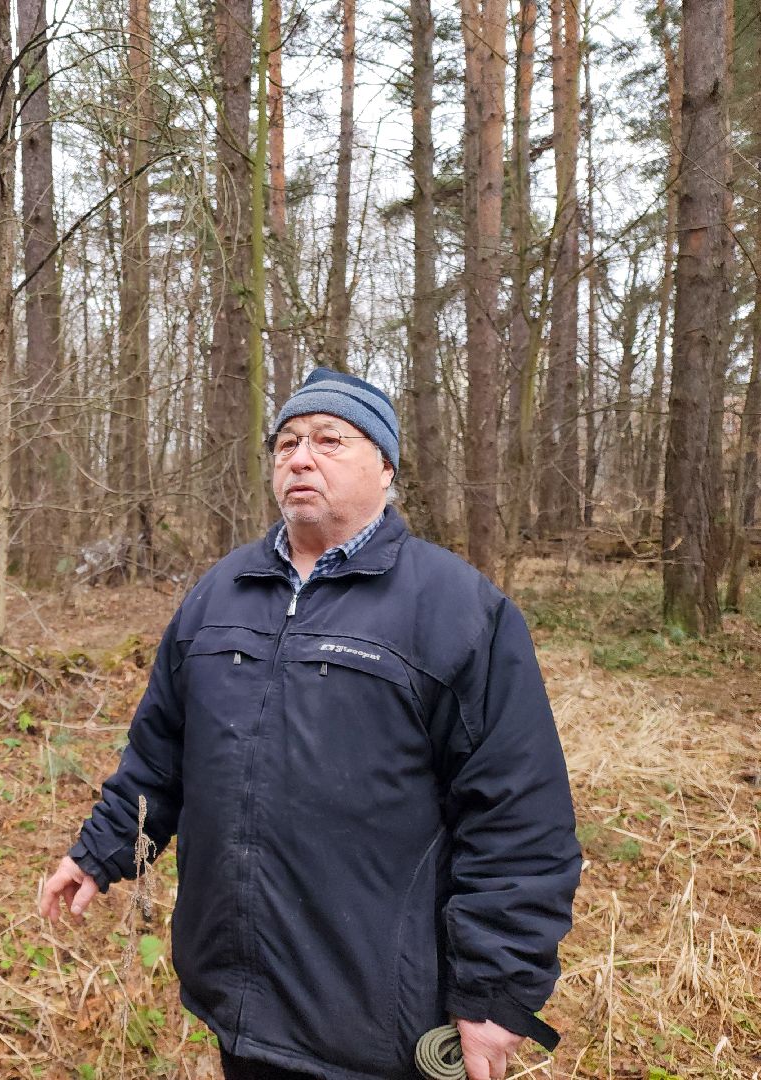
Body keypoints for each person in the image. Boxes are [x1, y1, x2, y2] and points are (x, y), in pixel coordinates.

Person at [41, 369, 581, 1080]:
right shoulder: (220, 593)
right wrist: (101, 850)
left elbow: (518, 817)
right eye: (287, 443)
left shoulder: (457, 610)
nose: (300, 458)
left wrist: (494, 993)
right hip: (238, 999)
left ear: (385, 467)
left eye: (330, 440)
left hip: (377, 1019)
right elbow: (160, 755)